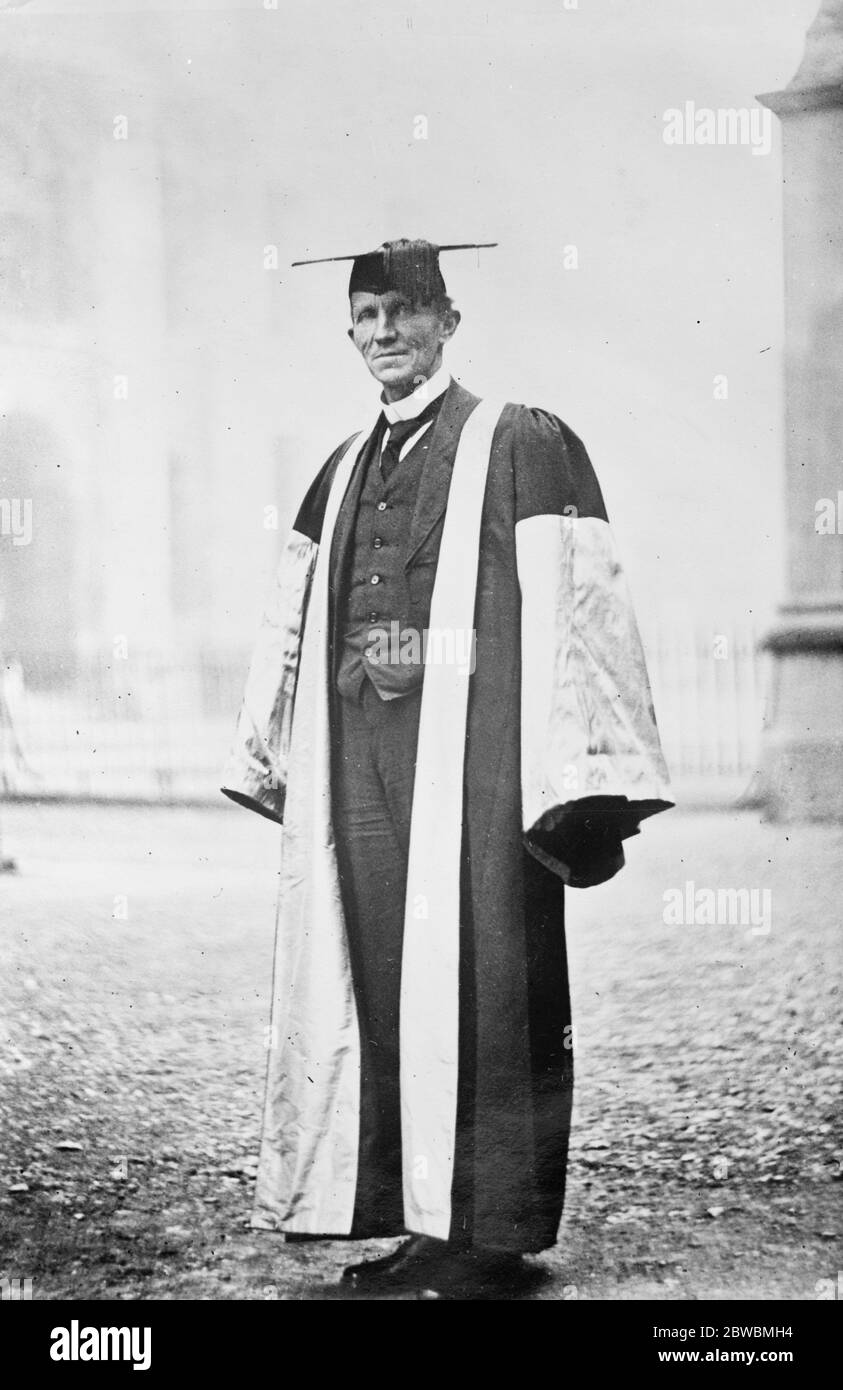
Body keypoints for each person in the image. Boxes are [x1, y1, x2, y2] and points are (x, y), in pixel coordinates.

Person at [222, 237, 672, 1299]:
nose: (386, 332)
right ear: (351, 334)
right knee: (382, 980)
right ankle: (420, 1219)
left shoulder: (517, 442)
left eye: (405, 313)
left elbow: (574, 604)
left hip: (477, 767)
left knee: (489, 982)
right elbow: (295, 625)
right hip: (363, 764)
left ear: (448, 322)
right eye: (368, 317)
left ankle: (493, 1234)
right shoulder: (337, 472)